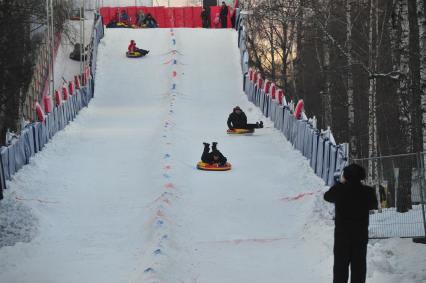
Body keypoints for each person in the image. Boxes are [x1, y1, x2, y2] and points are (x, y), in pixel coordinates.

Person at [324, 164, 378, 283]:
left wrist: (341, 183)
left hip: (342, 236)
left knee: (340, 267)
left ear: (345, 176)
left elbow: (327, 197)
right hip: (360, 236)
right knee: (359, 268)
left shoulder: (339, 189)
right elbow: (374, 205)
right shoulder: (368, 191)